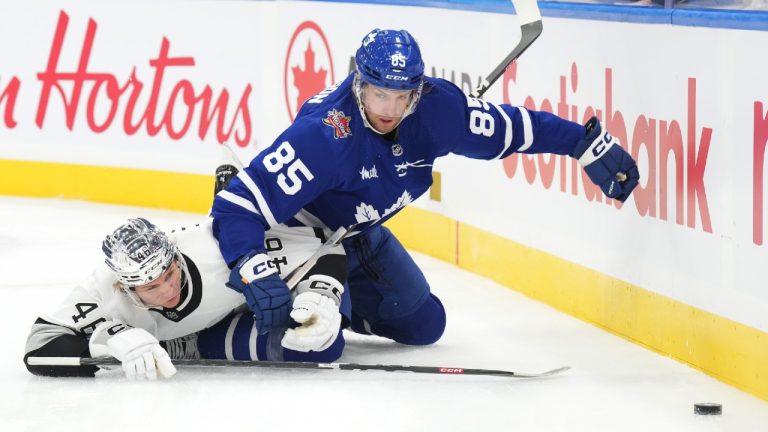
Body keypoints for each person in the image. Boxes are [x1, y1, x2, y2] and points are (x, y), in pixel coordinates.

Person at [211, 29, 640, 348]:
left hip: (360, 235)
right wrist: (252, 266)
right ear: (359, 83)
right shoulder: (324, 136)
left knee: (424, 325)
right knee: (322, 346)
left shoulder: (437, 108)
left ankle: (336, 309)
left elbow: (509, 129)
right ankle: (234, 322)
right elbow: (236, 206)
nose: (390, 110)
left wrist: (582, 143)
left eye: (403, 97)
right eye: (380, 95)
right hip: (302, 240)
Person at [24, 216, 348, 380]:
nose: (167, 291)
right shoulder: (102, 289)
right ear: (125, 287)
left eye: (169, 275)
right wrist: (109, 339)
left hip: (248, 300)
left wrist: (321, 293)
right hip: (209, 331)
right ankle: (182, 343)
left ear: (176, 256)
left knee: (325, 334)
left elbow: (325, 242)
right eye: (151, 288)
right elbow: (38, 349)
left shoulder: (215, 247)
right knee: (313, 346)